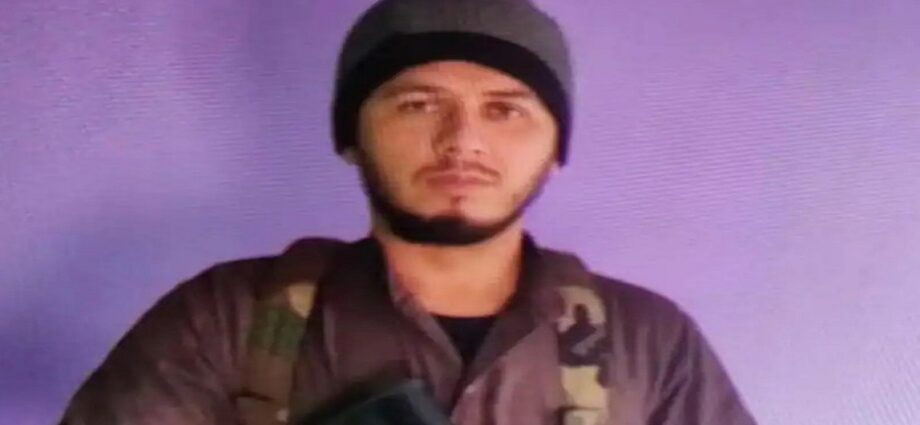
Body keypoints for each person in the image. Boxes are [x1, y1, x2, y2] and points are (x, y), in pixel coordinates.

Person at [60, 0, 758, 424]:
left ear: (555, 149)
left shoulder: (650, 341)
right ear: (350, 136)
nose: (463, 141)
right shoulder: (226, 317)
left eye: (505, 110)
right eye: (419, 104)